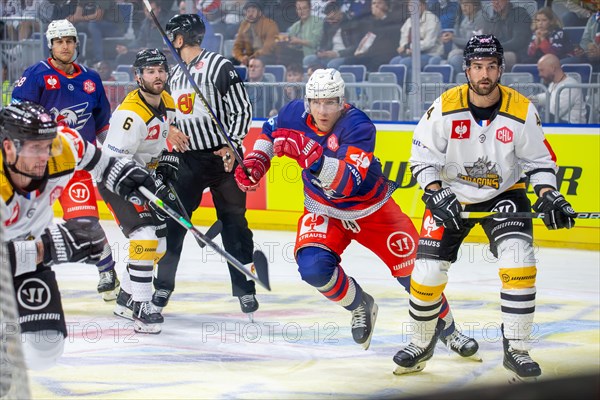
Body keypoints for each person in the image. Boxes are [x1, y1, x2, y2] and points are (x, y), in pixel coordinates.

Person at [234, 68, 479, 354]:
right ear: (307, 102)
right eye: (316, 102)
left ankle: (449, 330)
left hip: (373, 210)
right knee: (312, 268)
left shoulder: (358, 126)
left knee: (416, 275)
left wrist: (309, 153)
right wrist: (256, 162)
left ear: (342, 102)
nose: (323, 110)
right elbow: (268, 132)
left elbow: (348, 183)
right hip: (323, 209)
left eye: (330, 102)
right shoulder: (292, 114)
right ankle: (360, 304)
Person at [393, 35, 576, 381]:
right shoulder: (445, 106)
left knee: (519, 261)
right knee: (426, 275)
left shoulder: (521, 109)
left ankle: (517, 350)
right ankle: (421, 343)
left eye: (491, 66)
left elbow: (540, 162)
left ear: (501, 68)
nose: (485, 74)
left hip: (503, 195)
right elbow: (421, 158)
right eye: (478, 67)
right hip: (451, 197)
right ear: (467, 69)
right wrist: (434, 192)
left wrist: (549, 194)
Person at [0, 101, 156, 369]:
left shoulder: (61, 146)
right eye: (35, 149)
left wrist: (122, 173)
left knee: (45, 347)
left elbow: (97, 161)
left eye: (47, 146)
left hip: (29, 260)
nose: (44, 156)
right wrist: (51, 246)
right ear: (8, 148)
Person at [154, 14, 259, 319]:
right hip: (187, 161)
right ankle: (163, 285)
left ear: (180, 39)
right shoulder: (173, 74)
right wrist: (169, 128)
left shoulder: (219, 66)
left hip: (222, 158)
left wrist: (232, 143)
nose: (168, 42)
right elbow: (165, 111)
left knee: (234, 224)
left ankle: (245, 289)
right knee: (173, 223)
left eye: (170, 36)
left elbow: (242, 109)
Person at [11, 19, 121, 302]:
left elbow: (102, 124)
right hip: (37, 168)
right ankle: (21, 280)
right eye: (59, 41)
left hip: (76, 166)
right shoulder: (36, 74)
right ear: (51, 45)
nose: (65, 46)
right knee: (25, 228)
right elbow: (16, 118)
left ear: (75, 44)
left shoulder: (91, 79)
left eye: (69, 41)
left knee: (85, 222)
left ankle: (107, 271)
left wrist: (111, 153)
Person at [100, 49, 177, 334]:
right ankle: (142, 308)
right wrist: (150, 185)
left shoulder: (167, 101)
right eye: (150, 71)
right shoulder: (130, 114)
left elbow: (163, 139)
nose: (157, 76)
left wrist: (168, 164)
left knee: (160, 245)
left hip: (142, 178)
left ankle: (125, 298)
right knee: (144, 236)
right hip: (115, 179)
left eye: (160, 70)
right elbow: (114, 161)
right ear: (138, 76)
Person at [390, 0, 443, 75]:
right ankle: (397, 86)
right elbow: (403, 40)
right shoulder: (409, 21)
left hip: (430, 54)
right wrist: (405, 48)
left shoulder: (432, 19)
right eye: (410, 5)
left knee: (405, 63)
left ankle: (410, 87)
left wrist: (409, 47)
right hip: (410, 54)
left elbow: (429, 43)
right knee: (394, 62)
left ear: (423, 6)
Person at [478, 0, 532, 70]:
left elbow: (518, 42)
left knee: (491, 59)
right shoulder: (494, 19)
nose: (496, 2)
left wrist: (495, 48)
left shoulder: (519, 14)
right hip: (497, 52)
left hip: (517, 54)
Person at [533, 53, 586, 124]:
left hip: (572, 128)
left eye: (542, 70)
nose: (540, 74)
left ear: (553, 68)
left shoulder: (569, 86)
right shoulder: (553, 84)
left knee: (540, 118)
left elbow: (554, 112)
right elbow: (547, 97)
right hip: (561, 125)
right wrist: (529, 100)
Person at [444, 0, 485, 81]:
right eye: (462, 5)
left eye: (466, 5)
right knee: (448, 60)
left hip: (478, 53)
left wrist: (453, 38)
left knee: (455, 60)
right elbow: (460, 39)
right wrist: (452, 35)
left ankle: (465, 84)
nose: (463, 7)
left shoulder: (481, 19)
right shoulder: (465, 19)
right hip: (466, 52)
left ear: (475, 6)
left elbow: (474, 43)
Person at [232, 2, 280, 66]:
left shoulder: (270, 24)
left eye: (253, 11)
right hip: (249, 58)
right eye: (248, 11)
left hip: (266, 57)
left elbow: (268, 48)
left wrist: (250, 59)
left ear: (260, 12)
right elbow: (237, 47)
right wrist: (241, 58)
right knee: (230, 62)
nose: (250, 14)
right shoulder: (244, 25)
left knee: (262, 59)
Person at [277, 0, 324, 66]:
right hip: (295, 53)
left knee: (287, 55)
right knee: (279, 49)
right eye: (299, 9)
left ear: (310, 9)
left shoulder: (317, 22)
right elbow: (290, 39)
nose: (302, 11)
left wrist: (298, 41)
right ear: (296, 11)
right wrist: (282, 39)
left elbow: (314, 43)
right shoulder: (295, 25)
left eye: (304, 8)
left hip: (311, 54)